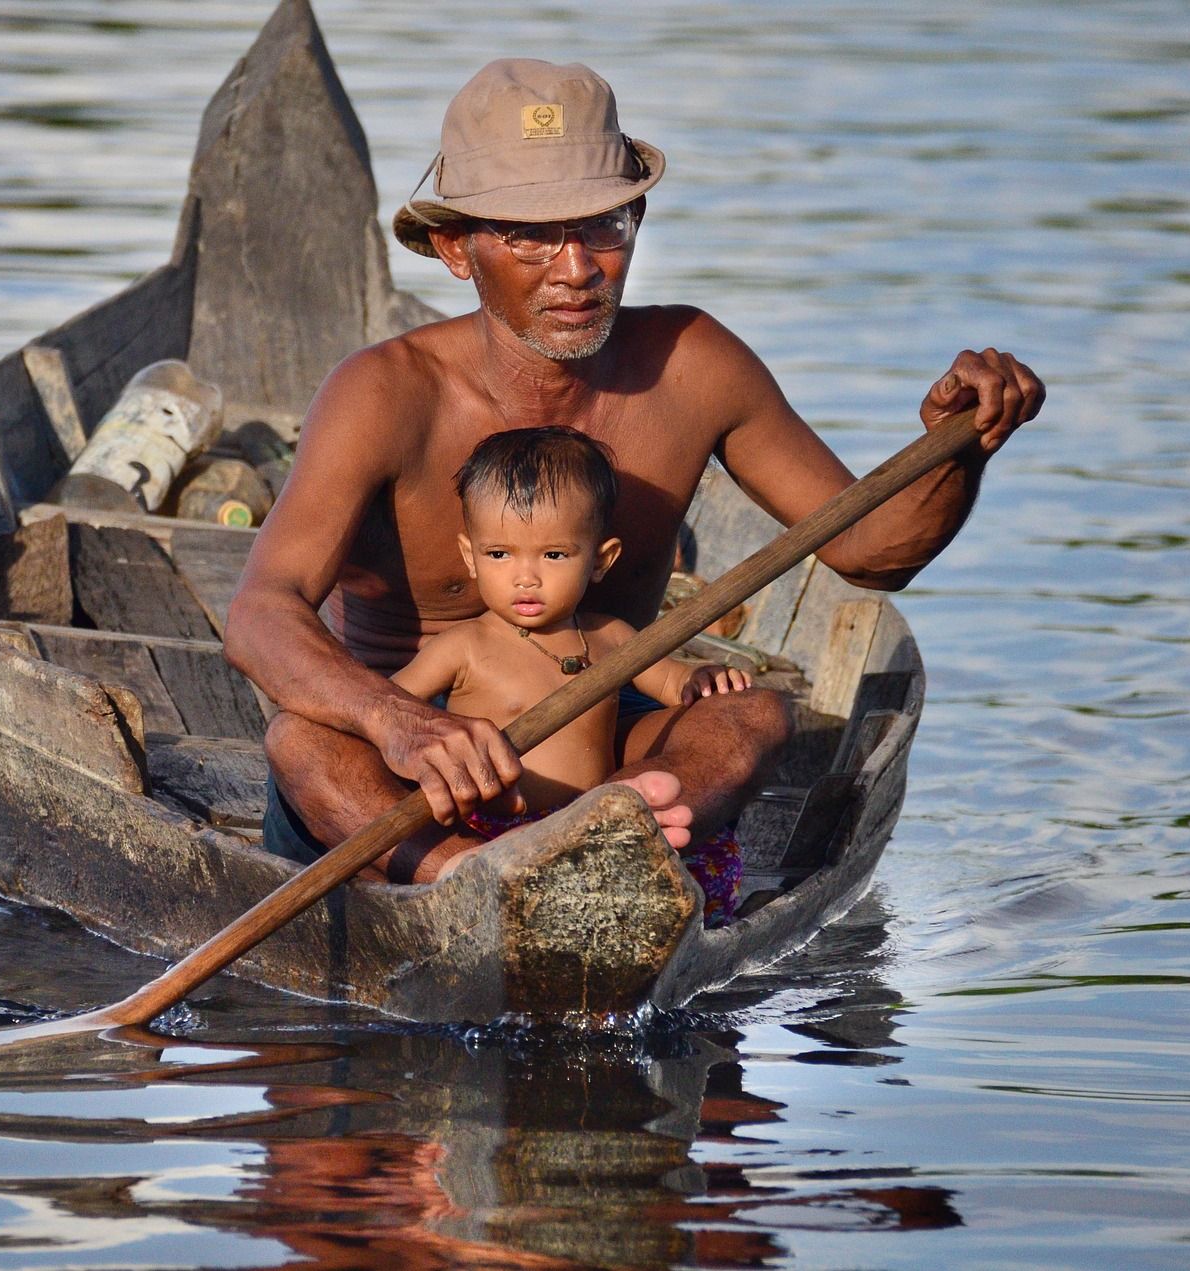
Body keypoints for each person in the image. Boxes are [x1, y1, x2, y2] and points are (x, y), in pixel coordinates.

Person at [226, 58, 1043, 884]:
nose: (576, 267)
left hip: (605, 738)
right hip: (414, 767)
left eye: (603, 226)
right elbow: (260, 613)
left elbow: (876, 551)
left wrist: (959, 448)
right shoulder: (383, 392)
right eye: (529, 234)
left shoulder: (694, 365)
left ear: (638, 217)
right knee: (301, 740)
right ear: (455, 248)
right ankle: (468, 882)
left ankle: (598, 854)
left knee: (751, 715)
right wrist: (397, 720)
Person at [392, 426, 750, 921]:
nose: (526, 576)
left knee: (703, 861)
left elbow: (671, 682)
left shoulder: (610, 637)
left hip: (588, 827)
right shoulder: (463, 646)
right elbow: (396, 712)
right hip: (496, 833)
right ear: (470, 558)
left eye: (554, 555)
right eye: (500, 554)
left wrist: (701, 678)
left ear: (601, 561)